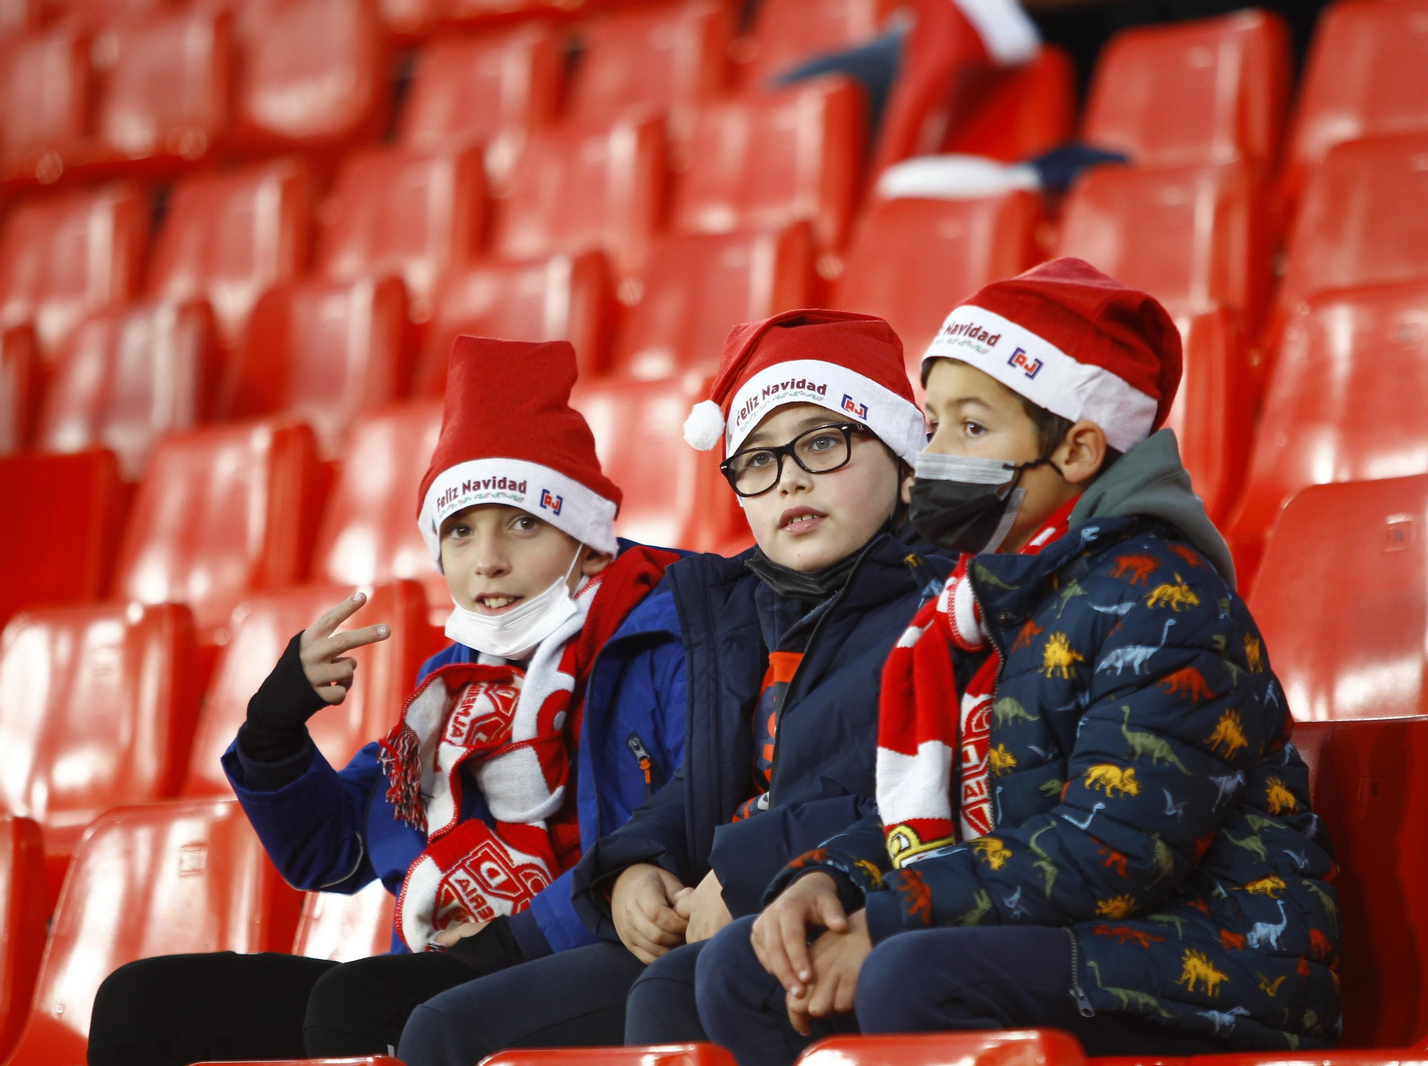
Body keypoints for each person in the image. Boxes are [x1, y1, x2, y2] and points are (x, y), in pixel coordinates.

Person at [696, 258, 1343, 1061]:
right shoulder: (979, 603)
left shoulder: (1161, 598)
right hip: (1074, 932)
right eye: (931, 426)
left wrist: (893, 916)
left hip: (1220, 956)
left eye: (971, 428)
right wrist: (828, 881)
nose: (934, 455)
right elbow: (960, 812)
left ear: (1075, 450)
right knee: (745, 966)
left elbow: (1114, 855)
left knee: (909, 975)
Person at [86, 336, 689, 1064]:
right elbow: (333, 850)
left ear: (589, 544)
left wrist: (507, 936)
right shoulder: (450, 683)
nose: (487, 560)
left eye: (523, 523)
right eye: (460, 532)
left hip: (584, 954)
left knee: (358, 1006)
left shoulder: (657, 639)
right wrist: (273, 726)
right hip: (438, 967)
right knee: (142, 1003)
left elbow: (678, 822)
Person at [394, 310, 953, 1066]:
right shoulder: (733, 612)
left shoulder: (948, 604)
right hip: (722, 913)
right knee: (444, 1030)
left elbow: (926, 796)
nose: (787, 475)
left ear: (905, 459)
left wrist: (753, 872)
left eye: (823, 442)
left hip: (851, 907)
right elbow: (699, 784)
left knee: (670, 994)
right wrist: (633, 867)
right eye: (755, 459)